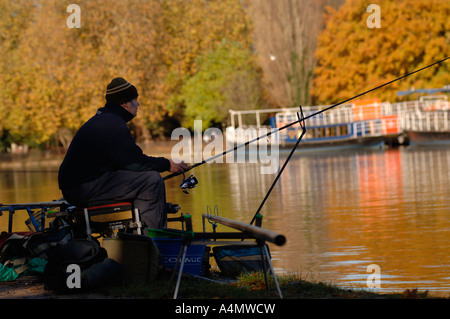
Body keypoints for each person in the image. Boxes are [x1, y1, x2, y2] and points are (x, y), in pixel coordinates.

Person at [58, 77, 187, 231]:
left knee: (141, 178)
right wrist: (167, 164)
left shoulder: (104, 120)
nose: (138, 104)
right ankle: (153, 239)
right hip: (83, 188)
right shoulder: (112, 124)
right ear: (125, 103)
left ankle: (135, 234)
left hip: (78, 187)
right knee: (151, 180)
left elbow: (126, 162)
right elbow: (135, 162)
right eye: (135, 99)